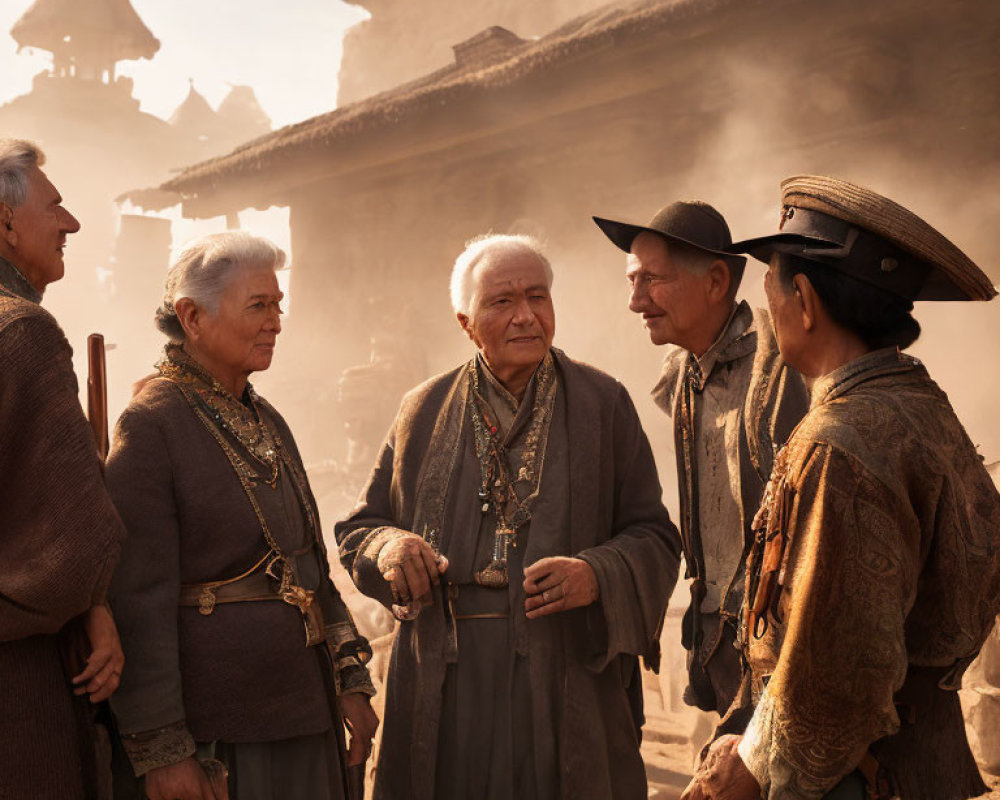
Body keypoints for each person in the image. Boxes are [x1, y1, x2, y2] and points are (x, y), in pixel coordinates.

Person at [681, 175, 1000, 800]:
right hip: (920, 761)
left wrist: (744, 772)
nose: (767, 314)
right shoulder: (922, 405)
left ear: (803, 301)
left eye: (770, 288)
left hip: (855, 778)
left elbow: (835, 674)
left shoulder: (839, 442)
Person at [336, 234, 681, 800]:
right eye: (502, 302)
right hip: (445, 684)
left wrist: (597, 574)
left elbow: (656, 537)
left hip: (564, 673)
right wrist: (390, 549)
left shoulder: (602, 404)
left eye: (538, 297)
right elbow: (361, 529)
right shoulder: (421, 409)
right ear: (465, 321)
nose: (526, 316)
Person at [106, 232, 378, 800]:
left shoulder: (266, 417)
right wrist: (164, 751)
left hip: (304, 706)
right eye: (258, 305)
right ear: (192, 316)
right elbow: (137, 602)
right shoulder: (152, 423)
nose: (276, 321)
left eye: (278, 305)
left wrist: (350, 680)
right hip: (222, 731)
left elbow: (308, 567)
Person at [594, 202, 807, 716]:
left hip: (790, 652)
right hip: (722, 644)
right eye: (631, 280)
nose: (635, 301)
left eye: (651, 280)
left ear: (716, 282)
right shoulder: (682, 375)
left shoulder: (784, 368)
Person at [0, 139, 127, 799]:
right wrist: (91, 599)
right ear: (5, 223)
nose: (72, 223)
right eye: (55, 207)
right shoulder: (22, 333)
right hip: (18, 687)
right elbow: (78, 545)